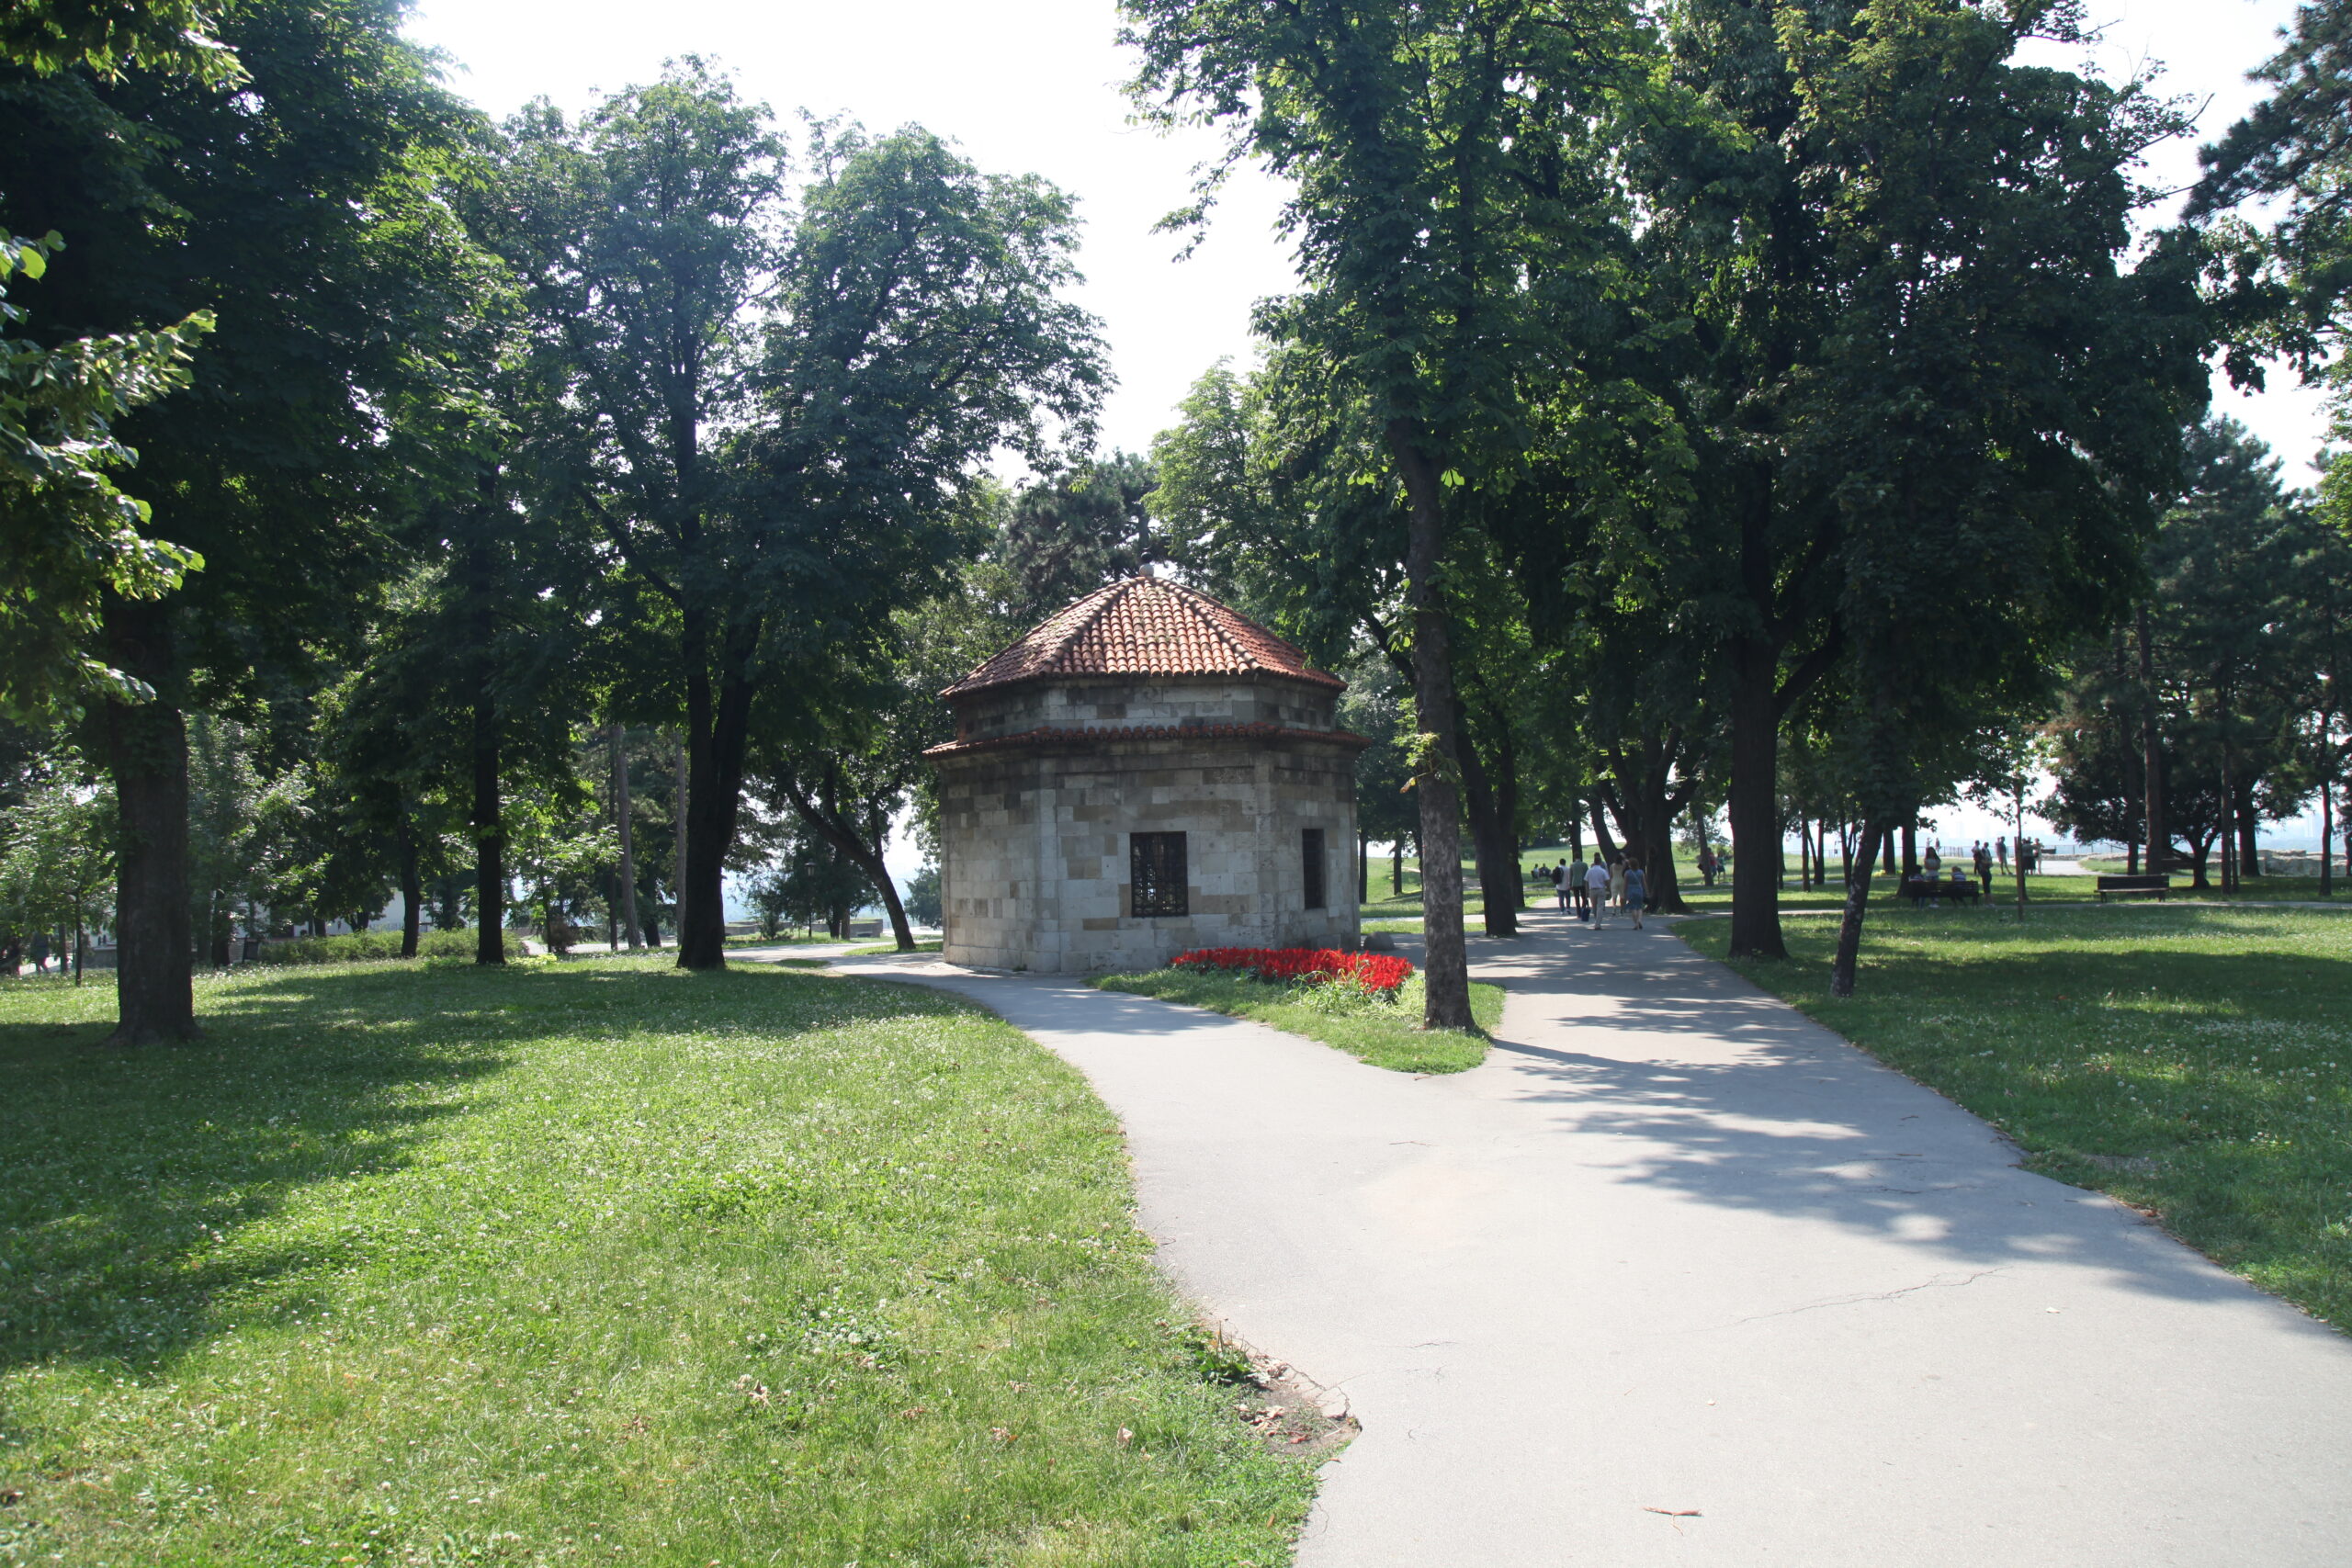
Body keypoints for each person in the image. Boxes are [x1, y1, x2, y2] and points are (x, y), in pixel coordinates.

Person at [1585, 854, 1611, 927]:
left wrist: (1586, 891)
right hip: (1601, 889)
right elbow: (1607, 881)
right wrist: (1609, 889)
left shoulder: (1589, 871)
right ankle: (1598, 923)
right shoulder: (1603, 871)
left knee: (1594, 907)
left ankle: (1596, 920)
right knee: (1600, 906)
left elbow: (1586, 882)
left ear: (1594, 862)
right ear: (1600, 862)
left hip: (1592, 890)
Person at [1624, 859, 1647, 930]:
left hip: (1631, 890)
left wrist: (1625, 892)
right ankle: (1639, 920)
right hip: (1639, 890)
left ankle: (1636, 923)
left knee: (1633, 907)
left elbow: (1626, 884)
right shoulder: (1641, 872)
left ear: (1630, 865)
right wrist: (1647, 891)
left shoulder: (1627, 873)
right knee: (1639, 907)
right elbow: (1644, 883)